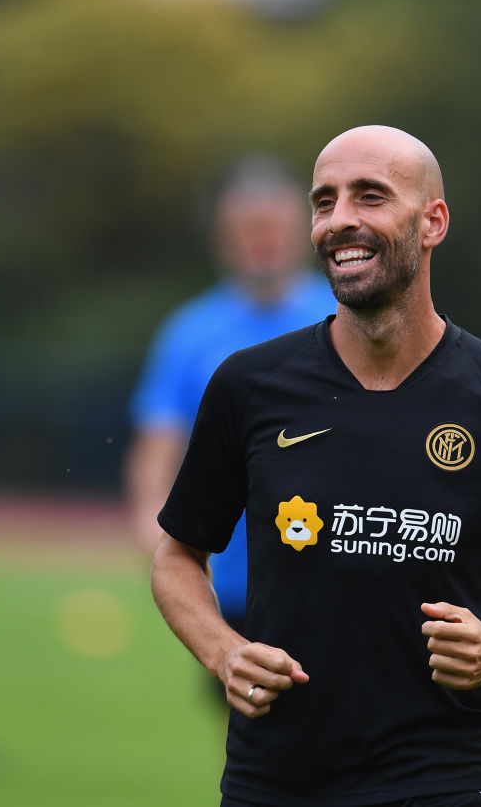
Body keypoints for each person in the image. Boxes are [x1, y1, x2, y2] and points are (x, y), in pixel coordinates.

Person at [151, 126, 481, 806]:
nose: (340, 219)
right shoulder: (249, 386)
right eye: (324, 201)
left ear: (432, 222)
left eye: (370, 196)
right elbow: (177, 558)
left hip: (445, 777)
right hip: (274, 782)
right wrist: (223, 651)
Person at [128, 155, 336, 637]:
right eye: (249, 229)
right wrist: (151, 527)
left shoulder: (346, 317)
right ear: (224, 239)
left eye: (274, 227)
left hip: (333, 576)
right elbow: (158, 442)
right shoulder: (189, 332)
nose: (263, 240)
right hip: (226, 583)